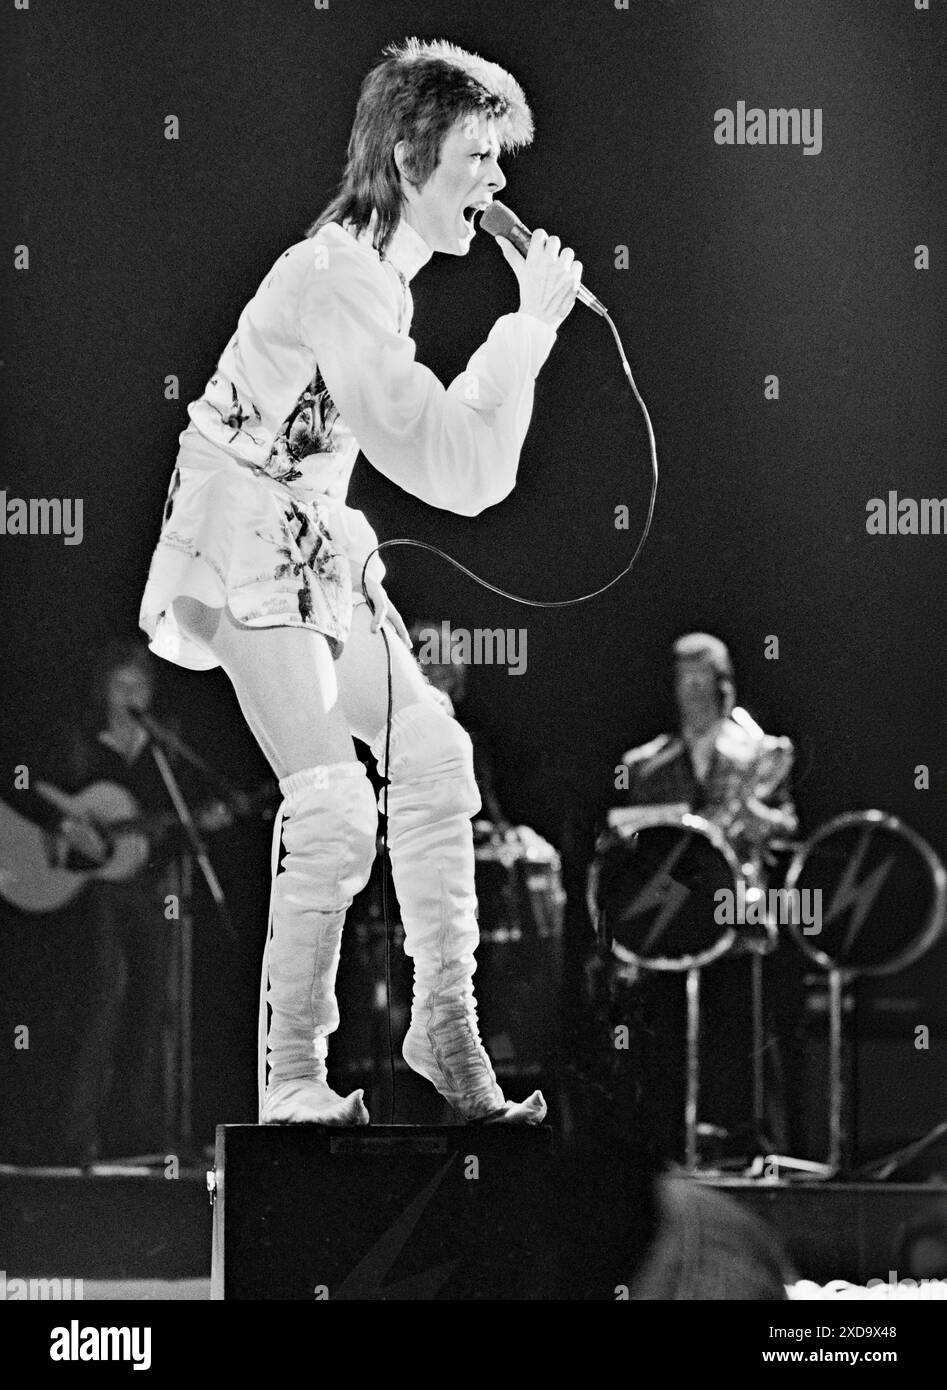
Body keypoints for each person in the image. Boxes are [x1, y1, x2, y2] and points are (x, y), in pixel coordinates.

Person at [138, 38, 583, 1127]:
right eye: (478, 157)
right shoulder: (338, 273)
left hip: (313, 534)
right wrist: (523, 335)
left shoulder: (381, 278)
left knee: (434, 757)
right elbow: (435, 456)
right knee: (333, 801)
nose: (495, 184)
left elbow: (460, 467)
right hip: (242, 523)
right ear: (407, 153)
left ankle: (443, 1026)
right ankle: (291, 1075)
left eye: (496, 160)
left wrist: (521, 338)